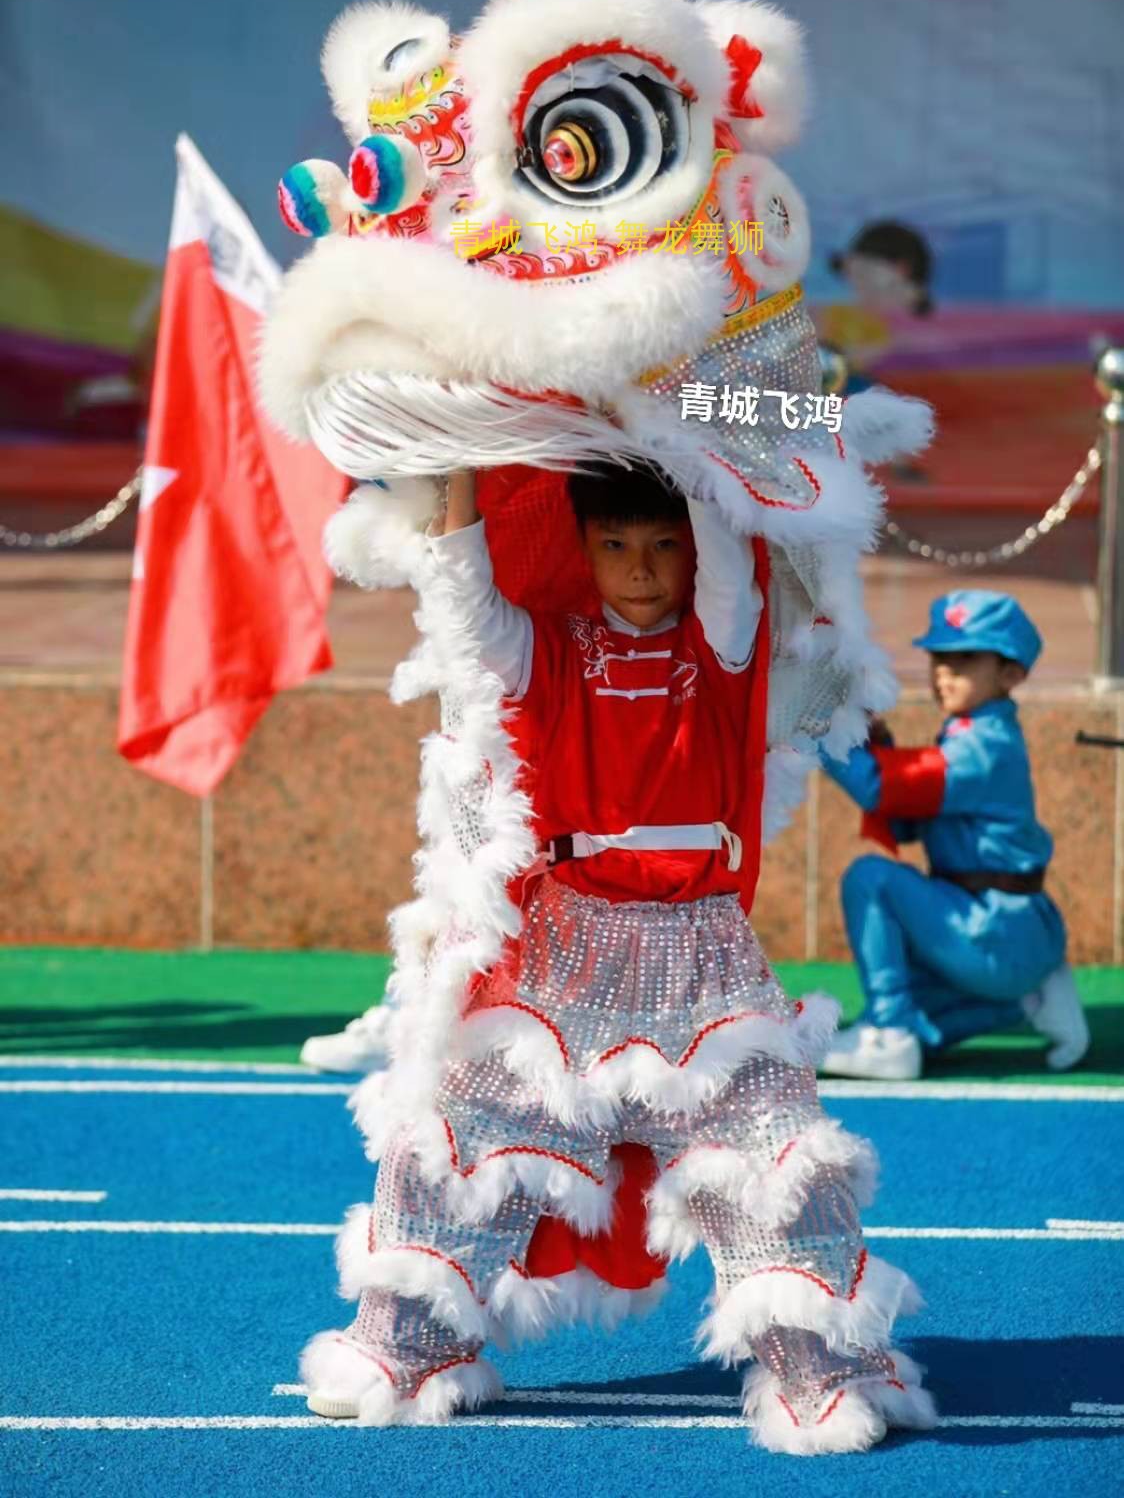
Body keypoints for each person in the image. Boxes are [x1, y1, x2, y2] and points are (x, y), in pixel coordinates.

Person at [298, 461, 934, 1454]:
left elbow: (731, 548)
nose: (639, 567)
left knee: (776, 1150)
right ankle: (405, 1340)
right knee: (455, 1126)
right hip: (565, 942)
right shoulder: (546, 648)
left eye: (662, 543)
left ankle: (820, 1366)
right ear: (580, 548)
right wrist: (460, 468)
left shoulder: (720, 646)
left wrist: (683, 425)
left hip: (701, 947)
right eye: (613, 545)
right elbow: (466, 608)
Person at [818, 589, 1089, 1081]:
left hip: (995, 931)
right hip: (1009, 932)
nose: (943, 672)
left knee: (871, 880)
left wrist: (823, 727)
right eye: (939, 658)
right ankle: (1030, 1000)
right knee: (923, 1012)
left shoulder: (980, 747)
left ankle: (889, 1034)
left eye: (964, 660)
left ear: (1012, 674)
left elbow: (881, 789)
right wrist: (872, 740)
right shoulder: (974, 733)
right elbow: (906, 818)